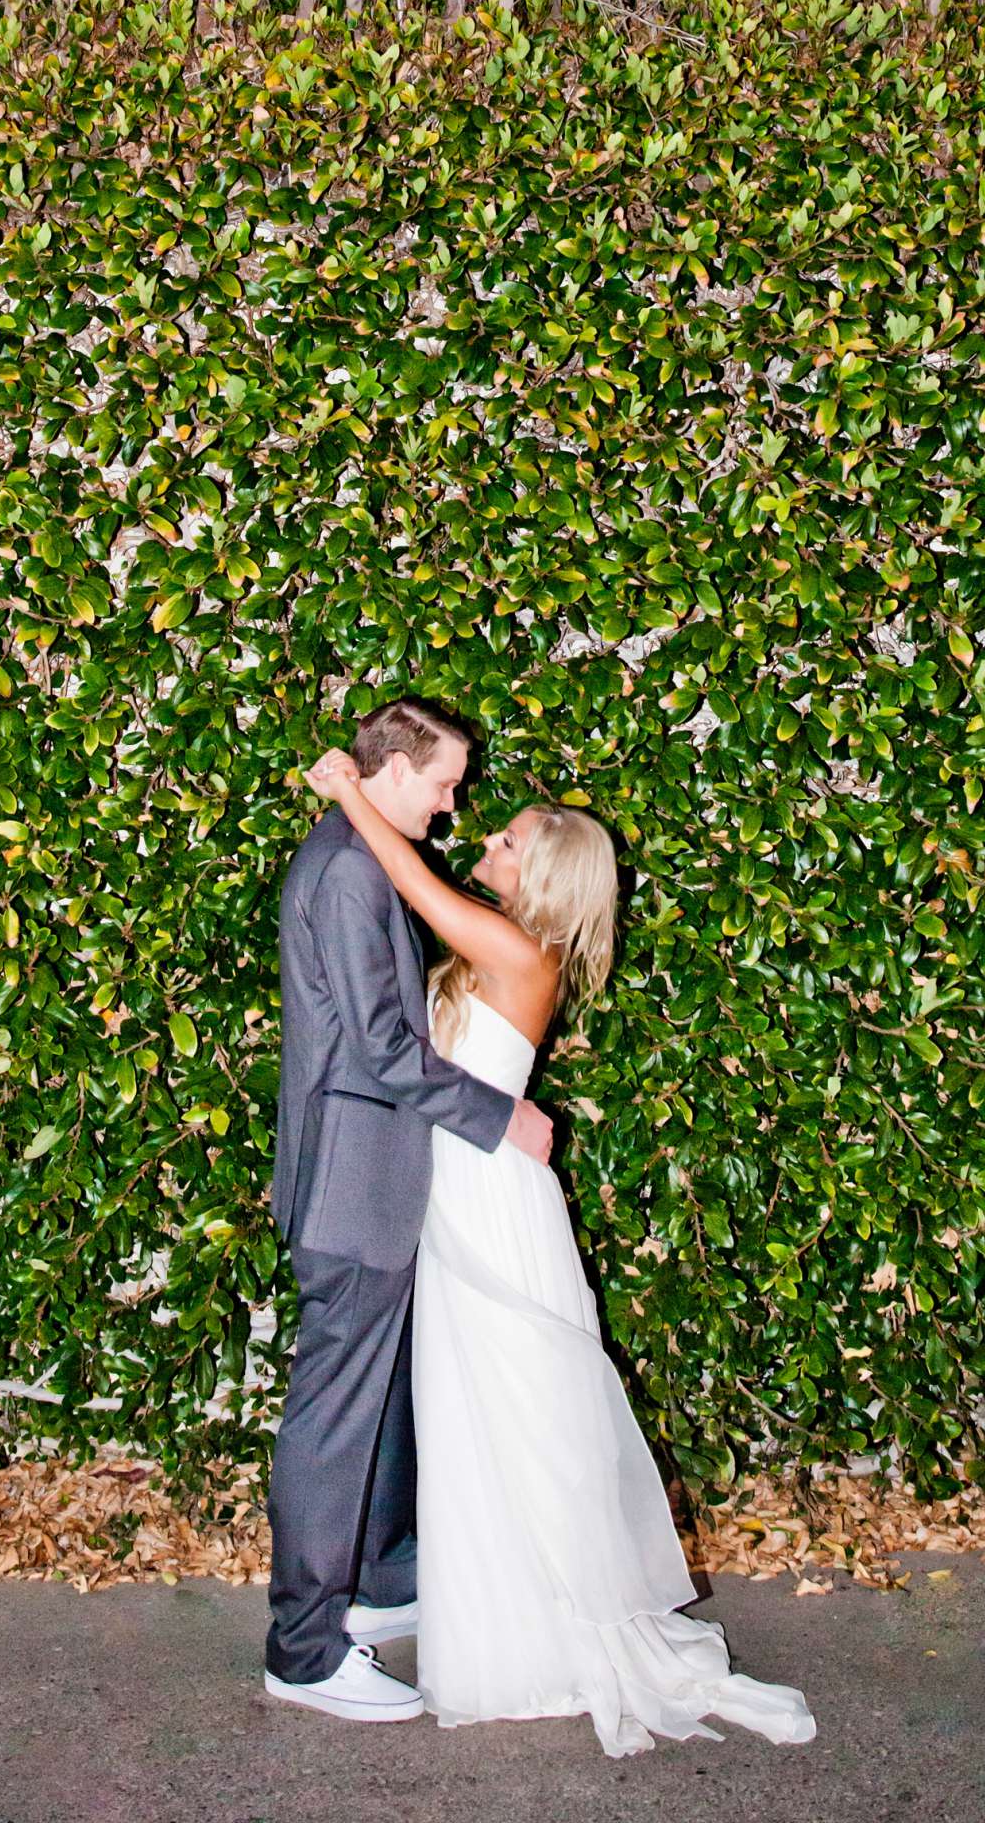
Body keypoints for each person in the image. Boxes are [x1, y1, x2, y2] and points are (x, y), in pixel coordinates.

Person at [300, 741, 819, 1760]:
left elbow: (404, 875)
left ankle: (532, 1636)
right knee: (483, 1409)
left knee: (516, 1406)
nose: (475, 835)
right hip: (464, 1197)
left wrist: (347, 793)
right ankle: (491, 1607)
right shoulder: (504, 945)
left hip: (489, 1205)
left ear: (536, 875)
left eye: (503, 839)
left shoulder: (511, 949)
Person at [264, 697, 556, 1723]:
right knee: (335, 1420)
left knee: (378, 1404)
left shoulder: (360, 851)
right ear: (393, 769)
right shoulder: (348, 871)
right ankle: (301, 1650)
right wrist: (498, 1117)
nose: (451, 800)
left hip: (370, 1181)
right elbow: (384, 1053)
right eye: (443, 782)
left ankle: (383, 1580)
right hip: (354, 1183)